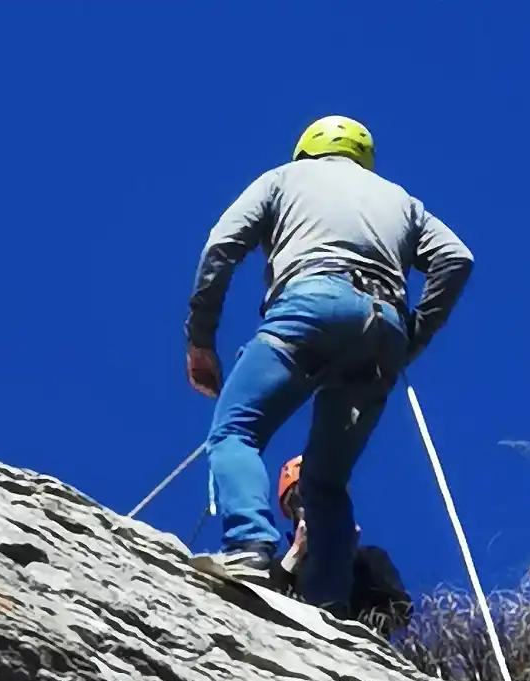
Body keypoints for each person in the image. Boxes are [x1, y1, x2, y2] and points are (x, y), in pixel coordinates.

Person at [182, 115, 473, 620]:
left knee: (235, 432)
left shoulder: (283, 179)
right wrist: (411, 339)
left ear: (306, 149)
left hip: (311, 304)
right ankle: (329, 603)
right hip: (384, 327)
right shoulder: (402, 201)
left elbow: (221, 247)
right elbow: (456, 258)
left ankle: (251, 548)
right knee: (326, 481)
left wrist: (201, 339)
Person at [268, 455, 414, 638]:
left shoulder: (370, 560)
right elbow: (268, 607)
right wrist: (297, 552)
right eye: (302, 500)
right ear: (292, 511)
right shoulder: (282, 567)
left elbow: (401, 609)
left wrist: (349, 557)